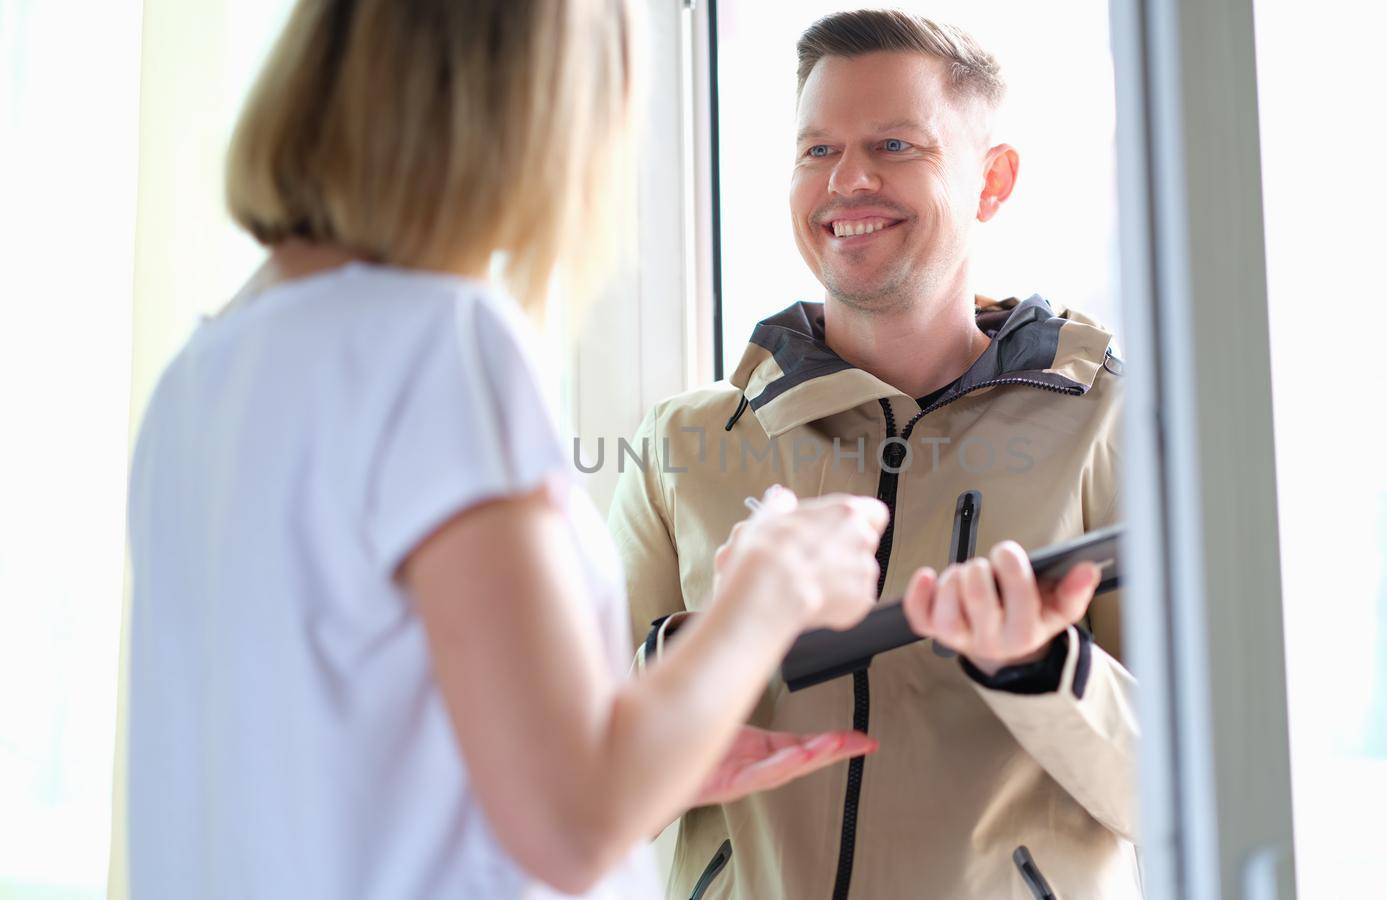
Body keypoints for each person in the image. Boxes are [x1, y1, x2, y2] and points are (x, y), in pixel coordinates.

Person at [124, 2, 890, 898]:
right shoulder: (437, 345)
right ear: (538, 107)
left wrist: (662, 746)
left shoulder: (208, 369)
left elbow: (362, 755)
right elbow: (570, 824)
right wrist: (773, 583)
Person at [608, 9, 1140, 899]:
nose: (847, 180)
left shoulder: (1114, 427)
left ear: (993, 181)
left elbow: (1191, 787)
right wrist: (718, 640)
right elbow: (581, 786)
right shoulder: (682, 447)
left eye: (895, 144)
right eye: (817, 151)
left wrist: (1044, 669)